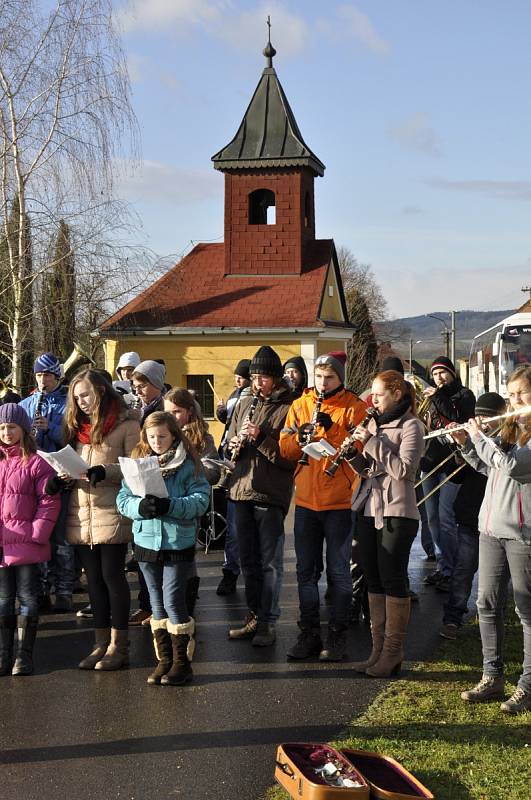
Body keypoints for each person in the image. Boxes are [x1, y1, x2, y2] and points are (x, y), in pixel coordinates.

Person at [46, 369, 140, 670]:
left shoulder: (126, 424)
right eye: (76, 397)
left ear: (100, 391)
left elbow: (136, 468)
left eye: (85, 394)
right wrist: (63, 478)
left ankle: (119, 645)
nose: (81, 401)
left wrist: (105, 472)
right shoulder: (77, 427)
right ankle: (100, 643)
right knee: (94, 582)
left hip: (112, 510)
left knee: (113, 577)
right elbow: (74, 464)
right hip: (81, 513)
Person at [452, 365, 531, 714]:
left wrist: (480, 439)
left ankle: (528, 686)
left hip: (522, 534)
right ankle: (492, 675)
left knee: (526, 611)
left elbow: (511, 466)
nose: (514, 401)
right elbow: (490, 468)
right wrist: (468, 445)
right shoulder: (510, 429)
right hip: (491, 530)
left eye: (521, 395)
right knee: (486, 603)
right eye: (511, 395)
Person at [280, 351, 367, 662]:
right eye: (318, 376)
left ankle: (338, 634)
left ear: (340, 378)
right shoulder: (300, 405)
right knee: (305, 572)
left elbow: (360, 448)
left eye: (329, 377)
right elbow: (285, 447)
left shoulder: (354, 406)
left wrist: (332, 430)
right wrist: (301, 437)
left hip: (339, 500)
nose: (323, 382)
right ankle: (309, 633)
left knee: (339, 573)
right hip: (305, 500)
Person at [117, 412, 210, 685]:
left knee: (172, 599)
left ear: (174, 436)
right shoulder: (138, 463)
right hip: (146, 540)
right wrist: (139, 507)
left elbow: (201, 500)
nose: (157, 441)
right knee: (156, 603)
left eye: (162, 436)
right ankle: (165, 660)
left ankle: (183, 663)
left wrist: (172, 506)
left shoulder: (188, 464)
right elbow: (123, 499)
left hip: (176, 540)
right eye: (151, 436)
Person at [344, 370, 424, 677]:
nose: (372, 400)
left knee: (392, 578)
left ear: (397, 393)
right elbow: (367, 469)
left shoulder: (412, 426)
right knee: (372, 578)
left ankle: (393, 652)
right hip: (368, 507)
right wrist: (353, 454)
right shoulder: (373, 423)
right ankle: (376, 649)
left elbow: (404, 470)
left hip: (398, 510)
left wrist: (372, 442)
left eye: (378, 394)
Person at [226, 346, 295, 647]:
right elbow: (228, 439)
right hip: (240, 489)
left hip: (269, 493)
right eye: (254, 377)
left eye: (263, 377)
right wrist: (233, 446)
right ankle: (253, 615)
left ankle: (268, 621)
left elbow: (289, 457)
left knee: (269, 563)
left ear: (276, 378)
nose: (257, 383)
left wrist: (260, 438)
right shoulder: (244, 403)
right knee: (248, 561)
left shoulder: (290, 407)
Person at [439, 392, 506, 641]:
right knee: (463, 570)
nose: (483, 422)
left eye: (488, 418)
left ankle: (495, 622)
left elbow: (496, 468)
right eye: (479, 417)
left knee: (498, 578)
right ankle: (452, 619)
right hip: (470, 515)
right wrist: (460, 447)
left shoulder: (505, 443)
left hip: (498, 518)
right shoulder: (474, 440)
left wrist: (476, 442)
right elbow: (456, 477)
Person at [0, 404, 60, 676]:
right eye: (1, 427)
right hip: (2, 544)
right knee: (3, 600)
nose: (6, 432)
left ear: (24, 429)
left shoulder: (37, 462)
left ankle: (23, 657)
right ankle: (4, 656)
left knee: (27, 597)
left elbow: (48, 501)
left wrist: (38, 533)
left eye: (12, 427)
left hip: (27, 542)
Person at [19, 352, 73, 613]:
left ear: (57, 376)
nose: (43, 380)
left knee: (60, 539)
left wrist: (50, 427)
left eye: (48, 375)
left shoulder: (68, 402)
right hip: (32, 480)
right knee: (36, 537)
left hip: (60, 478)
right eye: (39, 375)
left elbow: (72, 439)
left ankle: (63, 590)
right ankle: (40, 591)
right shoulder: (26, 404)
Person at [420, 356, 476, 592]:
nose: (439, 378)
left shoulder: (465, 395)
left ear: (452, 373)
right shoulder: (433, 398)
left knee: (445, 518)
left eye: (443, 373)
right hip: (429, 460)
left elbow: (456, 416)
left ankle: (451, 570)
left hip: (452, 463)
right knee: (431, 519)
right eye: (434, 374)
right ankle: (443, 566)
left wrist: (437, 396)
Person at [164, 387, 221, 613]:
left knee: (185, 555)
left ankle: (186, 605)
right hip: (164, 503)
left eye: (176, 412)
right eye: (168, 411)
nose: (172, 417)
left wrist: (190, 467)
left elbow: (213, 472)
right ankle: (166, 605)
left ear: (189, 412)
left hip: (188, 504)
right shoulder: (161, 433)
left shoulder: (202, 437)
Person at [128, 359, 168, 624]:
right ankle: (148, 604)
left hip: (163, 482)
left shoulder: (165, 408)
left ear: (155, 384)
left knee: (164, 556)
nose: (138, 390)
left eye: (142, 385)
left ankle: (164, 608)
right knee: (142, 550)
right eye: (135, 385)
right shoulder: (137, 409)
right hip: (140, 480)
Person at [215, 359, 251, 596]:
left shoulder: (247, 398)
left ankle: (244, 575)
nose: (237, 379)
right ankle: (230, 571)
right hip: (232, 466)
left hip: (252, 474)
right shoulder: (234, 395)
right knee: (234, 529)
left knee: (242, 531)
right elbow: (230, 427)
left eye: (241, 376)